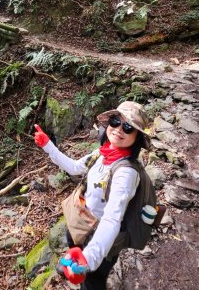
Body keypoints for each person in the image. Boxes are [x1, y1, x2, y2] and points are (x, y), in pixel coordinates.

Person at [34, 101, 151, 290]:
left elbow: (112, 218)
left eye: (128, 127)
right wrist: (48, 146)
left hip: (99, 237)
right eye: (115, 121)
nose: (119, 129)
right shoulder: (103, 153)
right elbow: (74, 167)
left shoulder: (126, 173)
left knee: (92, 283)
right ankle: (73, 262)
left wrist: (89, 258)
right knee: (77, 262)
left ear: (137, 136)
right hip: (81, 224)